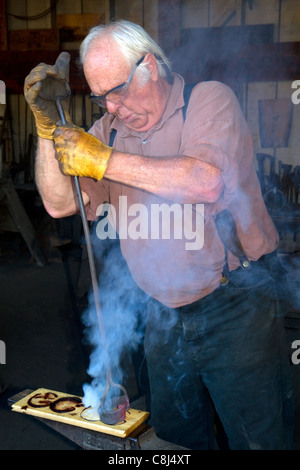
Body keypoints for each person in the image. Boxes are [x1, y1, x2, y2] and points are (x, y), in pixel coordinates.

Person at [24, 19, 294, 450]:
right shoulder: (109, 133)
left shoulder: (207, 101)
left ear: (148, 65)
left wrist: (102, 161)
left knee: (257, 437)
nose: (110, 107)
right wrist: (45, 131)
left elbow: (204, 182)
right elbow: (59, 203)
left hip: (235, 305)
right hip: (162, 314)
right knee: (174, 441)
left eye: (117, 90)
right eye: (99, 97)